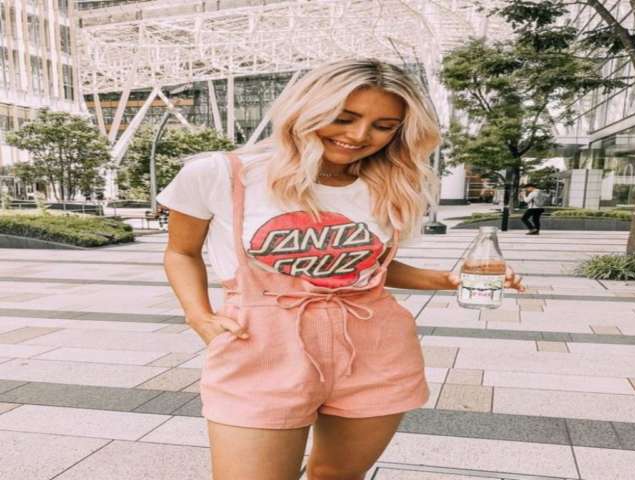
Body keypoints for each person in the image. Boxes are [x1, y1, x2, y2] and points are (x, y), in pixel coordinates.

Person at [157, 59, 525, 480]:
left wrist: (446, 280)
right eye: (344, 118)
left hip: (373, 349)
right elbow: (181, 252)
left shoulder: (387, 182)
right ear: (306, 108)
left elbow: (365, 266)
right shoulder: (222, 173)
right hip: (261, 346)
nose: (359, 136)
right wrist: (199, 316)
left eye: (384, 126)